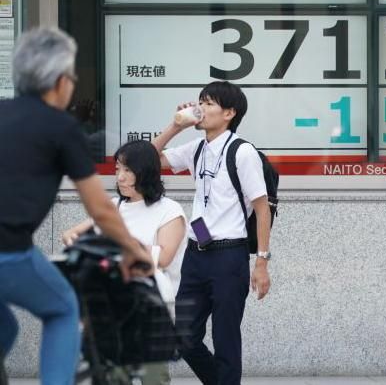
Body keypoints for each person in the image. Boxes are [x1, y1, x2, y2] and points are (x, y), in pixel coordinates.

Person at [0, 27, 152, 385]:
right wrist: (131, 250)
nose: (73, 84)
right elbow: (101, 208)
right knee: (63, 309)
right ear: (57, 81)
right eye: (71, 76)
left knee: (5, 327)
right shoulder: (60, 127)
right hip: (9, 251)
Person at [152, 80, 271, 385]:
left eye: (208, 104)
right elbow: (147, 162)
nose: (200, 108)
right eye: (199, 102)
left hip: (229, 257)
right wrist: (175, 126)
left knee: (225, 340)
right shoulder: (198, 148)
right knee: (185, 337)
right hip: (196, 254)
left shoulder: (242, 152)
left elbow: (261, 208)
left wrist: (261, 262)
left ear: (229, 112)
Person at [62, 139, 186, 385]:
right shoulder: (114, 208)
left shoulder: (169, 210)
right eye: (118, 169)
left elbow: (163, 257)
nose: (119, 177)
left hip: (151, 306)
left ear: (145, 171)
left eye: (127, 170)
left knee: (154, 378)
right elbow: (71, 235)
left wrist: (116, 246)